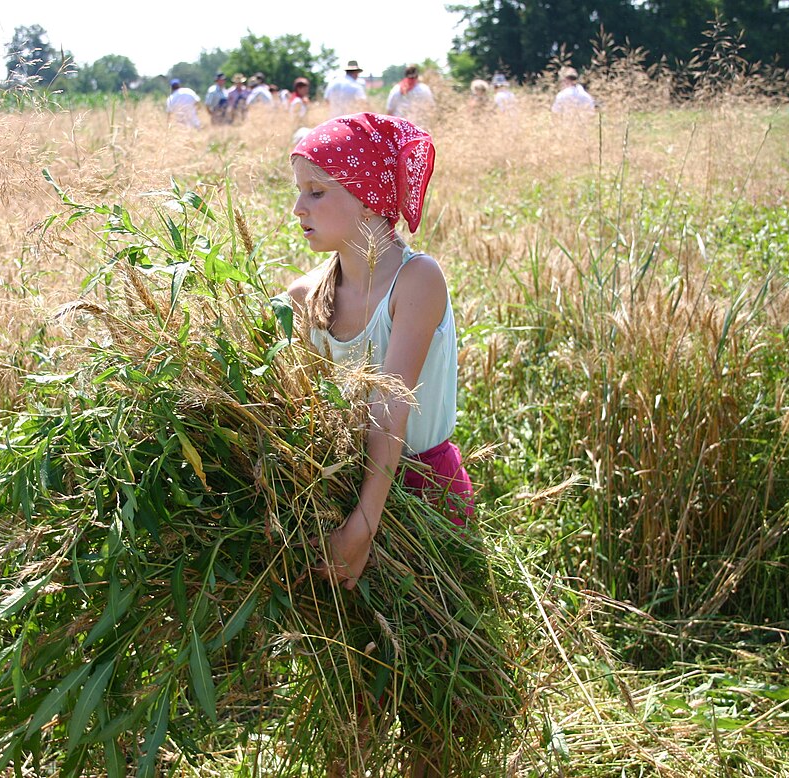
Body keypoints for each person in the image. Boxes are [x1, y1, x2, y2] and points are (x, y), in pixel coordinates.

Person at [287, 112, 470, 777]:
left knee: (431, 673)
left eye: (316, 191)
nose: (298, 207)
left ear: (366, 195)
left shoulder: (416, 280)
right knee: (351, 675)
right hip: (340, 488)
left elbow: (392, 405)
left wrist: (364, 524)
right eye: (298, 190)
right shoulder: (306, 296)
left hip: (419, 489)